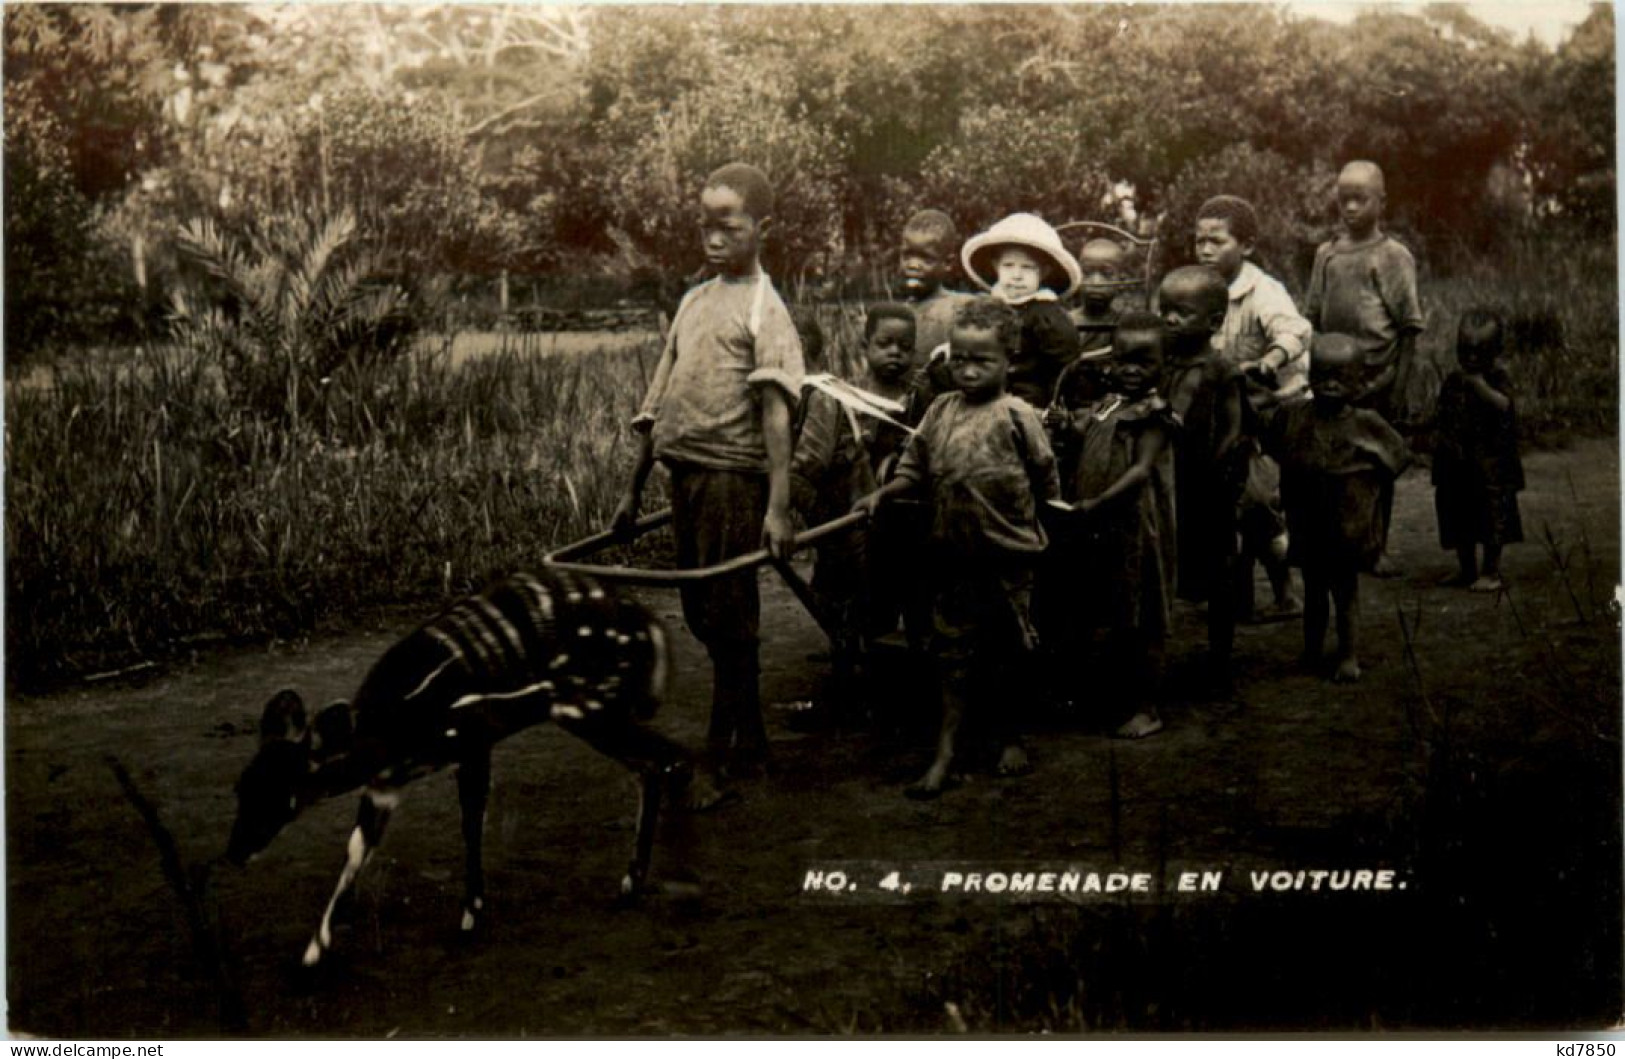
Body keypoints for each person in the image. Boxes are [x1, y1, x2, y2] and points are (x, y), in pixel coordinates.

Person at [613, 163, 804, 806]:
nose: (715, 238)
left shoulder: (763, 307)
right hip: (684, 471)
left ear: (761, 229)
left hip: (731, 477)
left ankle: (720, 756)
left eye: (731, 226)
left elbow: (777, 413)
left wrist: (779, 507)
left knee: (727, 615)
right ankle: (750, 743)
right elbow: (657, 398)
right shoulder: (695, 299)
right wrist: (632, 490)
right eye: (706, 225)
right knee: (704, 613)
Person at [854, 297, 1060, 798]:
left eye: (982, 360)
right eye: (959, 359)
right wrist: (884, 493)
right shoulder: (940, 411)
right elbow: (913, 464)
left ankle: (1009, 735)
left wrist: (1046, 522)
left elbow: (1045, 476)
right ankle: (945, 751)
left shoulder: (1018, 415)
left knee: (1007, 647)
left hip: (1007, 556)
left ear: (1009, 360)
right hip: (951, 554)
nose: (967, 370)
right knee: (952, 652)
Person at [788, 303, 920, 730]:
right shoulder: (845, 391)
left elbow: (809, 461)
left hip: (874, 509)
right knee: (840, 589)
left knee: (862, 594)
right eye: (884, 344)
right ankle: (856, 673)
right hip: (843, 508)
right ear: (866, 348)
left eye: (904, 346)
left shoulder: (912, 396)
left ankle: (857, 690)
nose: (894, 354)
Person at [1045, 312, 1178, 738]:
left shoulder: (1154, 415)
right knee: (1110, 605)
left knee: (1144, 613)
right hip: (1100, 524)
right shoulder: (1108, 403)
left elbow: (1140, 471)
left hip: (1136, 525)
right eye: (1124, 361)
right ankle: (1105, 695)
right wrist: (1065, 425)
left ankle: (1147, 706)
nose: (1132, 371)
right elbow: (1086, 432)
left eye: (1144, 362)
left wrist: (1098, 502)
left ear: (1165, 365)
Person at [1261, 334, 1410, 684]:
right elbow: (1276, 449)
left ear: (1359, 383)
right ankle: (1312, 650)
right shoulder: (1294, 415)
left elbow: (1398, 458)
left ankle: (1348, 653)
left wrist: (1365, 486)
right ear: (1310, 375)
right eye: (1323, 374)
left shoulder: (1366, 423)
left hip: (1345, 525)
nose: (1330, 384)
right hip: (1306, 521)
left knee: (1344, 593)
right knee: (1313, 591)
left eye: (1341, 378)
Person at [1305, 161, 1425, 577]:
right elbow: (1313, 318)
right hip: (1331, 381)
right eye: (1344, 199)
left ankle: (1377, 545)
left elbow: (1409, 328)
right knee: (1333, 461)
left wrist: (1398, 386)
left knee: (1376, 463)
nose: (1351, 207)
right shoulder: (1327, 254)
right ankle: (1338, 543)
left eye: (1361, 198)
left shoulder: (1393, 256)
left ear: (1382, 202)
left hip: (1377, 378)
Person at [1194, 194, 1308, 623]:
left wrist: (1270, 360)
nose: (1205, 250)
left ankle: (1286, 591)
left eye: (1216, 241)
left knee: (1258, 503)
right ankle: (1239, 599)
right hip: (1223, 414)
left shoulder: (1262, 291)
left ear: (1246, 245)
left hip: (1270, 411)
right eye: (1199, 241)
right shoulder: (1198, 290)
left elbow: (1295, 329)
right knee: (1225, 505)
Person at [1156, 266, 1249, 694]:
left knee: (1219, 568)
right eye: (1165, 310)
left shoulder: (1220, 369)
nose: (1170, 320)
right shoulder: (1160, 362)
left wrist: (1221, 461)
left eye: (1182, 313)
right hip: (1168, 477)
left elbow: (1234, 423)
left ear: (1213, 321)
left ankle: (1220, 655)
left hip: (1206, 481)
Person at [1433, 309, 1523, 593]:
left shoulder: (1496, 379)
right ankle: (1466, 568)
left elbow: (1505, 406)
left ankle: (1491, 570)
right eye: (1465, 350)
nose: (1471, 358)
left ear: (1495, 351)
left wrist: (1480, 387)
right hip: (1456, 463)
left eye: (1479, 352)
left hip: (1491, 466)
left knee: (1492, 516)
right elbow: (1442, 415)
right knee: (1457, 515)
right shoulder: (1453, 380)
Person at [961, 213, 1083, 408]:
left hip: (1028, 394)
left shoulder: (1046, 315)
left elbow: (1065, 363)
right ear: (995, 266)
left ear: (1044, 272)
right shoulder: (989, 306)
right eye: (1008, 266)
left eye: (1027, 268)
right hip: (985, 385)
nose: (1016, 276)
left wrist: (1057, 403)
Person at [898, 209, 972, 393]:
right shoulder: (898, 313)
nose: (913, 265)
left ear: (947, 263)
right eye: (907, 256)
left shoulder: (960, 307)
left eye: (926, 258)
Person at [1057, 237, 1129, 412]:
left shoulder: (1125, 323)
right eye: (1088, 273)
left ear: (1122, 279)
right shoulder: (1065, 321)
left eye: (1107, 274)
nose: (1096, 282)